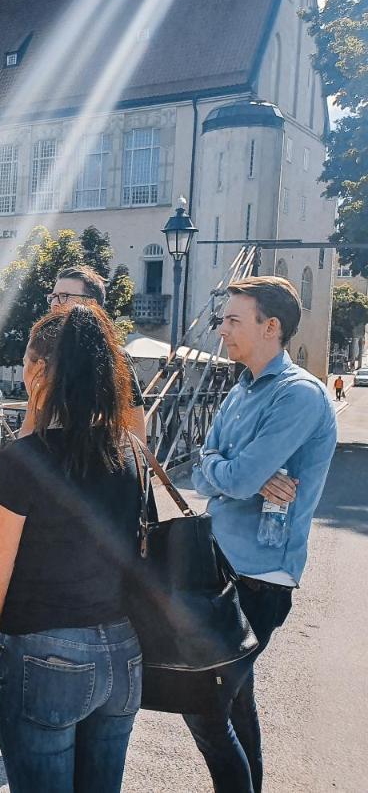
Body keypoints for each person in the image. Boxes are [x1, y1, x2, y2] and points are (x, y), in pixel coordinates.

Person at [0, 264, 147, 704]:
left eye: (65, 297)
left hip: (85, 502)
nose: (55, 304)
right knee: (17, 577)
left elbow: (133, 442)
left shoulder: (113, 365)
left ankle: (11, 666)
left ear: (92, 307)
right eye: (53, 297)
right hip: (43, 493)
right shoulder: (51, 360)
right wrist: (19, 472)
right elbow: (34, 428)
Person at [0, 303, 144, 792]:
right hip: (122, 654)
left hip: (45, 655)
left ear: (39, 371)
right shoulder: (129, 450)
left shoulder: (23, 462)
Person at [184, 276, 337, 793]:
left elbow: (235, 475)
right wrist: (231, 473)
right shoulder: (240, 390)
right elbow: (200, 471)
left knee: (203, 701)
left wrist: (230, 473)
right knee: (233, 698)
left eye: (232, 320)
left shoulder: (299, 397)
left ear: (271, 327)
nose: (221, 329)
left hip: (259, 577)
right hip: (221, 564)